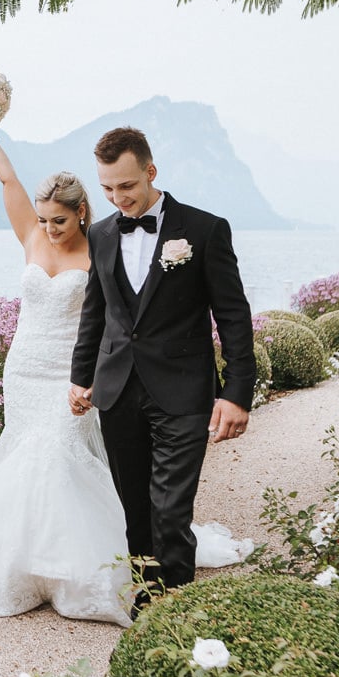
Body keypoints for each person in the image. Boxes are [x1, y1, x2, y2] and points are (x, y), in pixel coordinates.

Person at [0, 107, 135, 625]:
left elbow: (112, 323)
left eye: (59, 220)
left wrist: (96, 381)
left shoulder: (104, 248)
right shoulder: (32, 237)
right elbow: (7, 176)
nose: (49, 229)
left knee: (58, 456)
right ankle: (23, 571)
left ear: (82, 213)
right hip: (24, 369)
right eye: (43, 219)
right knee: (22, 458)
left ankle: (73, 572)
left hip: (70, 375)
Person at [68, 127, 257, 604]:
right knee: (134, 507)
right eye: (108, 188)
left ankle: (176, 608)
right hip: (117, 390)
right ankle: (148, 602)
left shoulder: (204, 229)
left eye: (127, 186)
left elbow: (232, 315)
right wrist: (81, 377)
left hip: (183, 389)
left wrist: (236, 393)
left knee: (170, 509)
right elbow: (98, 311)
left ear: (151, 172)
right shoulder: (101, 233)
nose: (118, 198)